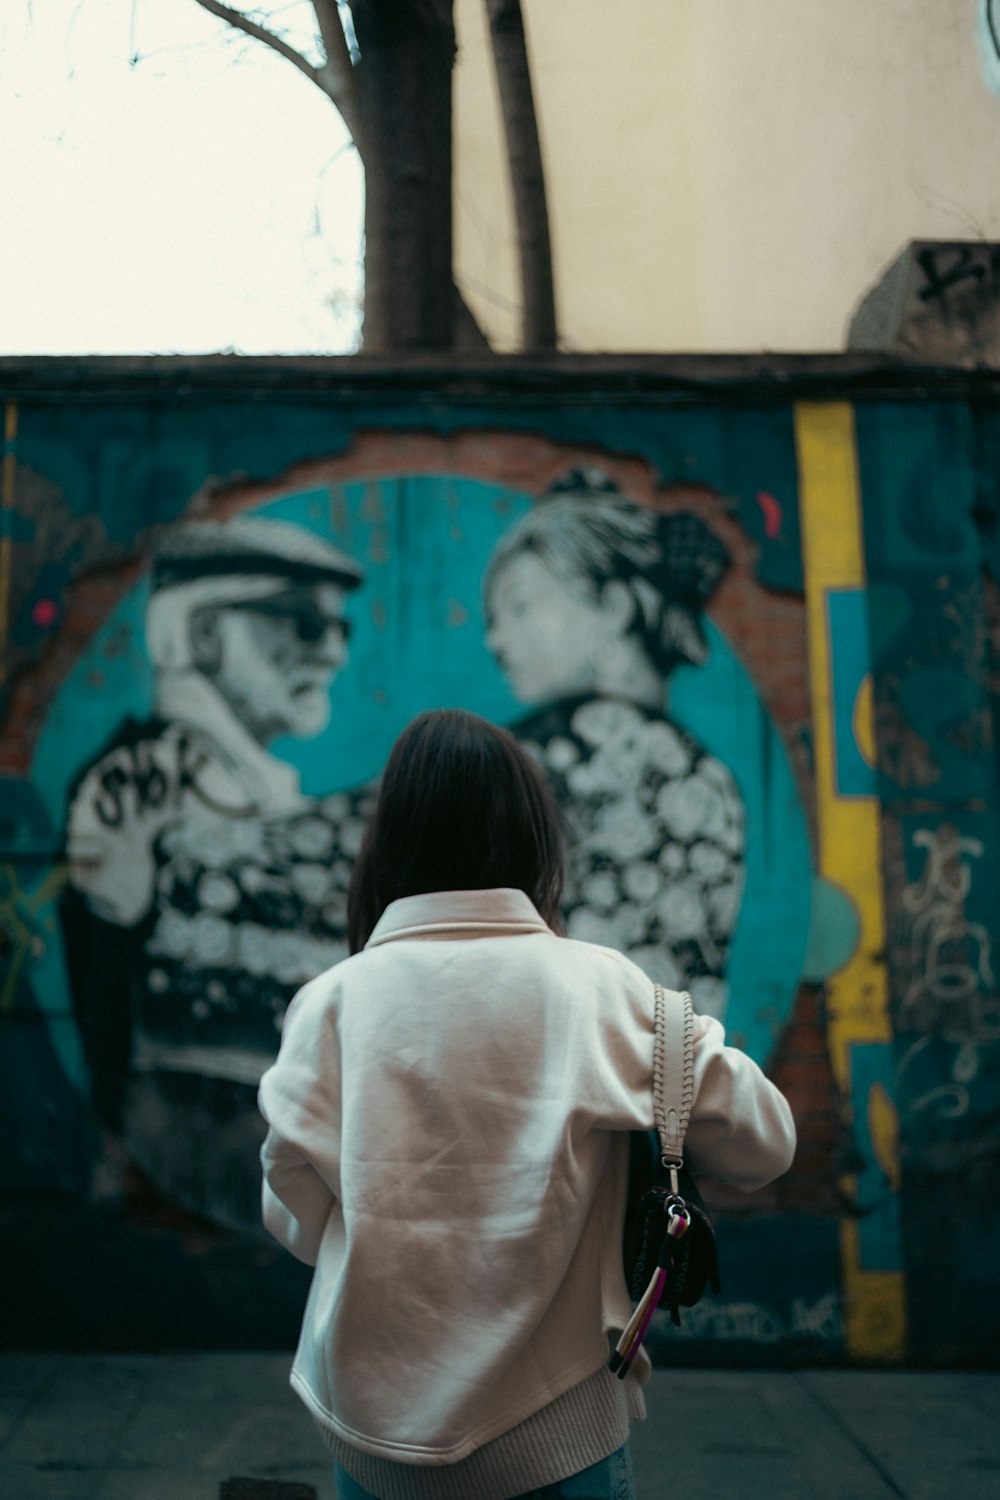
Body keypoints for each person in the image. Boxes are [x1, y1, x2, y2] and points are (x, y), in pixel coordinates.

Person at [258, 708, 796, 1500]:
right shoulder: (604, 989)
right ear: (533, 841)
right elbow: (768, 1145)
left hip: (372, 1442)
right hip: (561, 1435)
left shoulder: (330, 1005)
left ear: (387, 843)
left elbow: (295, 1220)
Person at [61, 514, 370, 1228]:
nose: (331, 654)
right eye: (298, 622)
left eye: (339, 629)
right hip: (192, 1161)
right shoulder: (145, 782)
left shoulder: (242, 786)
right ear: (203, 634)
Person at [484, 469, 744, 1024]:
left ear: (615, 606)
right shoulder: (711, 778)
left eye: (520, 607)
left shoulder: (552, 752)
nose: (495, 641)